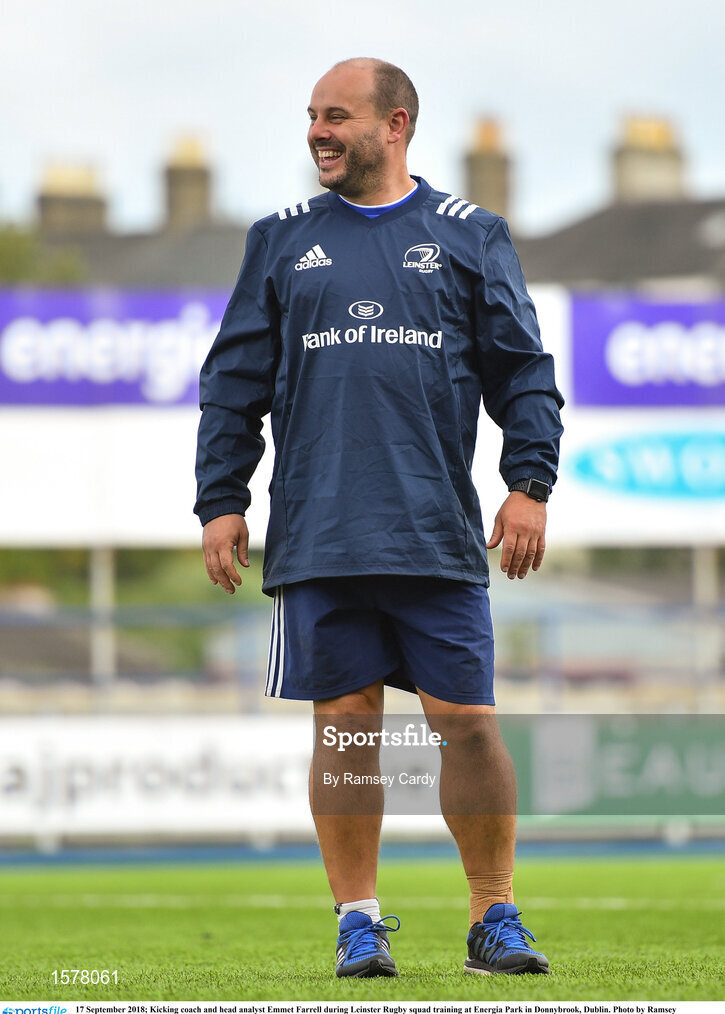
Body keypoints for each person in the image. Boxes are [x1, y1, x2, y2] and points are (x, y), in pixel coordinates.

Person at [195, 57, 563, 978]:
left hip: (434, 532)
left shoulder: (470, 234)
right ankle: (357, 919)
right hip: (319, 531)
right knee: (347, 728)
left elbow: (524, 374)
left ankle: (493, 915)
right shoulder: (277, 239)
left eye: (338, 116)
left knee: (468, 723)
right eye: (311, 117)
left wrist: (528, 482)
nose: (318, 131)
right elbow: (231, 385)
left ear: (394, 124)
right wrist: (222, 500)